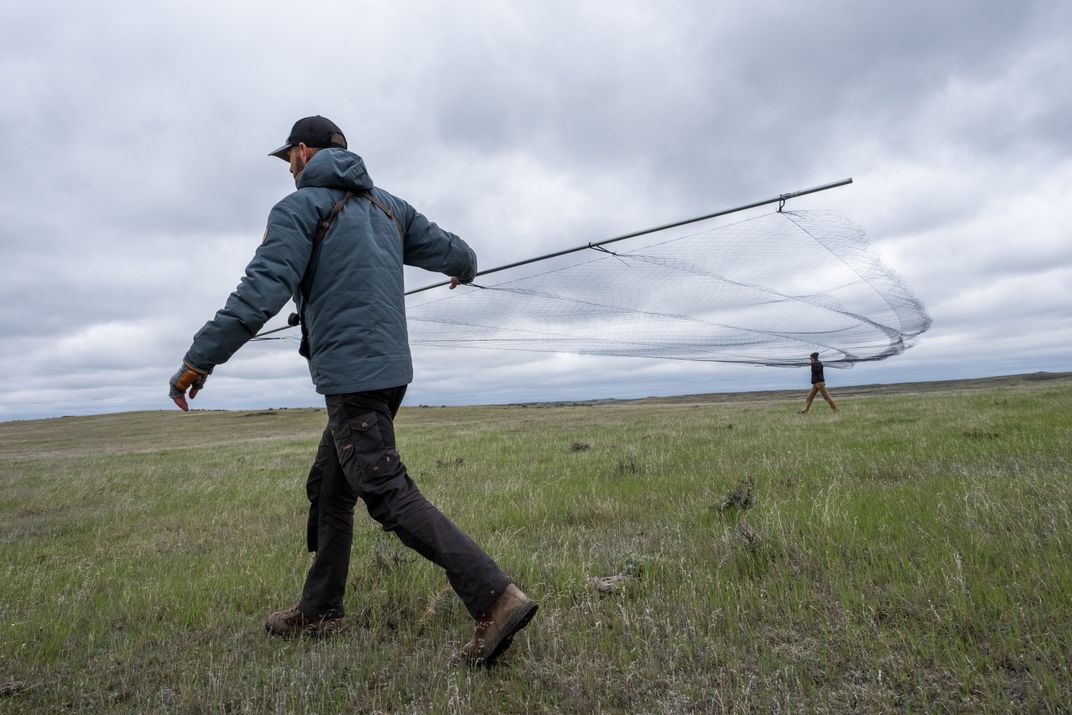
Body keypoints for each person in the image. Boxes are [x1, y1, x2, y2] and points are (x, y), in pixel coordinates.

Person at [168, 115, 537, 665]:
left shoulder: (297, 209)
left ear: (301, 152)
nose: (289, 168)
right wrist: (467, 266)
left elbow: (261, 290)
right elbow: (453, 250)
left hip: (352, 376)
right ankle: (319, 611)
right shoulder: (391, 207)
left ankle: (495, 597)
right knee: (331, 485)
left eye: (289, 158)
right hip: (390, 374)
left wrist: (200, 358)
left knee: (385, 493)